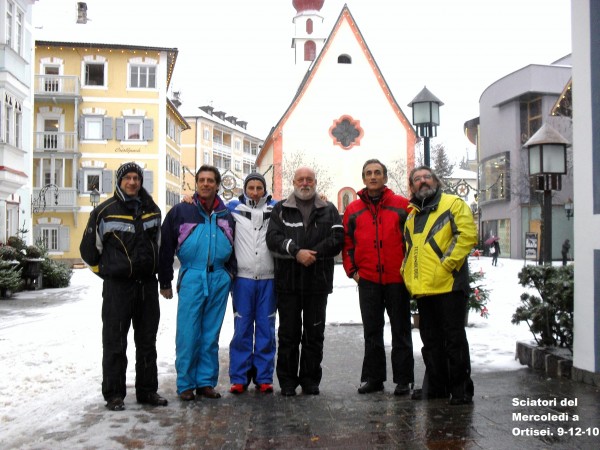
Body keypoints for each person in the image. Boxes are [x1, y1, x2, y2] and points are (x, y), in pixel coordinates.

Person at [79, 162, 168, 411]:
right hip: (118, 288)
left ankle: (148, 391)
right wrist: (107, 274)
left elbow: (160, 248)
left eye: (136, 178)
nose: (132, 182)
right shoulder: (104, 212)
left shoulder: (153, 211)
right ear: (119, 181)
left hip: (147, 287)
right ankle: (115, 394)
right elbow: (88, 253)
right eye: (127, 178)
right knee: (115, 342)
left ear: (141, 182)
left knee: (147, 342)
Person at [158, 165, 236, 401]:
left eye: (210, 180)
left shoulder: (226, 215)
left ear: (217, 184)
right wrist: (165, 281)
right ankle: (185, 384)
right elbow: (165, 248)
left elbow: (236, 247)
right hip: (192, 276)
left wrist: (229, 274)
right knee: (188, 333)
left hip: (219, 279)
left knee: (211, 334)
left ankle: (205, 382)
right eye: (201, 180)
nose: (205, 184)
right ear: (196, 184)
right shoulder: (181, 211)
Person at [401, 166, 477, 406]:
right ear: (412, 186)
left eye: (426, 177)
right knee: (430, 341)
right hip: (425, 289)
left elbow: (466, 236)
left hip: (450, 286)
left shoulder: (453, 204)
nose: (422, 181)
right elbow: (410, 251)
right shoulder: (412, 216)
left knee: (454, 339)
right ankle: (438, 386)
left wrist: (447, 265)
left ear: (435, 181)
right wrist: (407, 274)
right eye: (417, 179)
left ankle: (461, 389)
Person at [266, 166, 344, 396]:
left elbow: (338, 238)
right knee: (288, 335)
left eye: (309, 179)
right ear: (294, 182)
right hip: (288, 284)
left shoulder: (328, 209)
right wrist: (297, 252)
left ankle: (310, 381)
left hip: (317, 284)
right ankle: (288, 382)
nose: (305, 183)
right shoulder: (281, 209)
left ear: (315, 182)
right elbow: (273, 238)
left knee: (314, 334)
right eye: (301, 179)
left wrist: (313, 255)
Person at [342, 159, 414, 395]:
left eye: (377, 173)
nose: (373, 177)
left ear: (385, 177)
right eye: (368, 173)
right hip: (369, 281)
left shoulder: (402, 206)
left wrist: (408, 270)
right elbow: (347, 243)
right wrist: (353, 271)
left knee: (401, 330)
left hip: (397, 279)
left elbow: (414, 241)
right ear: (363, 178)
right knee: (372, 331)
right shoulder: (353, 210)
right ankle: (374, 379)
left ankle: (403, 380)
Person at [227, 173, 278, 394]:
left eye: (259, 187)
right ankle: (239, 377)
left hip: (269, 278)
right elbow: (207, 205)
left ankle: (264, 377)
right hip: (243, 279)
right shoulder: (233, 208)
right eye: (251, 187)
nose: (255, 192)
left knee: (266, 329)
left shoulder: (277, 209)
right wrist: (190, 198)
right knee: (242, 329)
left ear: (264, 189)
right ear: (245, 189)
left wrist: (322, 199)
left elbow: (300, 207)